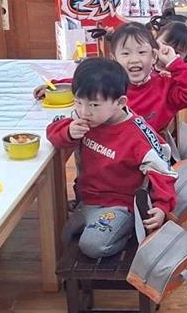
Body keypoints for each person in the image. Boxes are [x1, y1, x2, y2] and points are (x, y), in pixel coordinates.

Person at [46, 58, 176, 258]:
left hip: (119, 206)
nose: (84, 111)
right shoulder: (85, 118)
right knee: (62, 238)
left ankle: (130, 236)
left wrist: (162, 207)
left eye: (94, 104)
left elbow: (163, 172)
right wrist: (68, 132)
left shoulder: (137, 135)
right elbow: (53, 131)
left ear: (120, 102)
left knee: (91, 246)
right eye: (78, 102)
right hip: (87, 201)